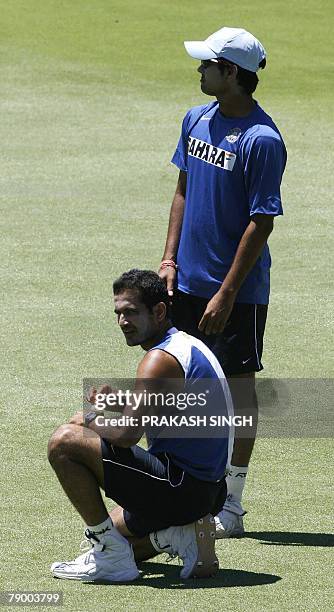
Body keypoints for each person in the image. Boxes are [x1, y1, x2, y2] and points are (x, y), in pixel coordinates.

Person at [159, 27, 287, 537]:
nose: (199, 70)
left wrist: (228, 292)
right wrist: (168, 259)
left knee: (237, 391)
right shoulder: (196, 120)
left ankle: (231, 503)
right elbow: (183, 188)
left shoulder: (263, 140)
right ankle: (184, 491)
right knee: (181, 386)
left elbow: (262, 220)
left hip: (236, 291)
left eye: (208, 64)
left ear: (231, 73)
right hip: (185, 282)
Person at [48, 269, 234, 583]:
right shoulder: (186, 346)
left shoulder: (158, 360)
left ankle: (114, 560)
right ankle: (173, 537)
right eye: (118, 313)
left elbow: (127, 435)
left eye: (131, 312)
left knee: (64, 442)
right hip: (208, 492)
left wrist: (91, 420)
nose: (122, 321)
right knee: (109, 534)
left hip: (180, 488)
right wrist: (120, 402)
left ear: (159, 311)